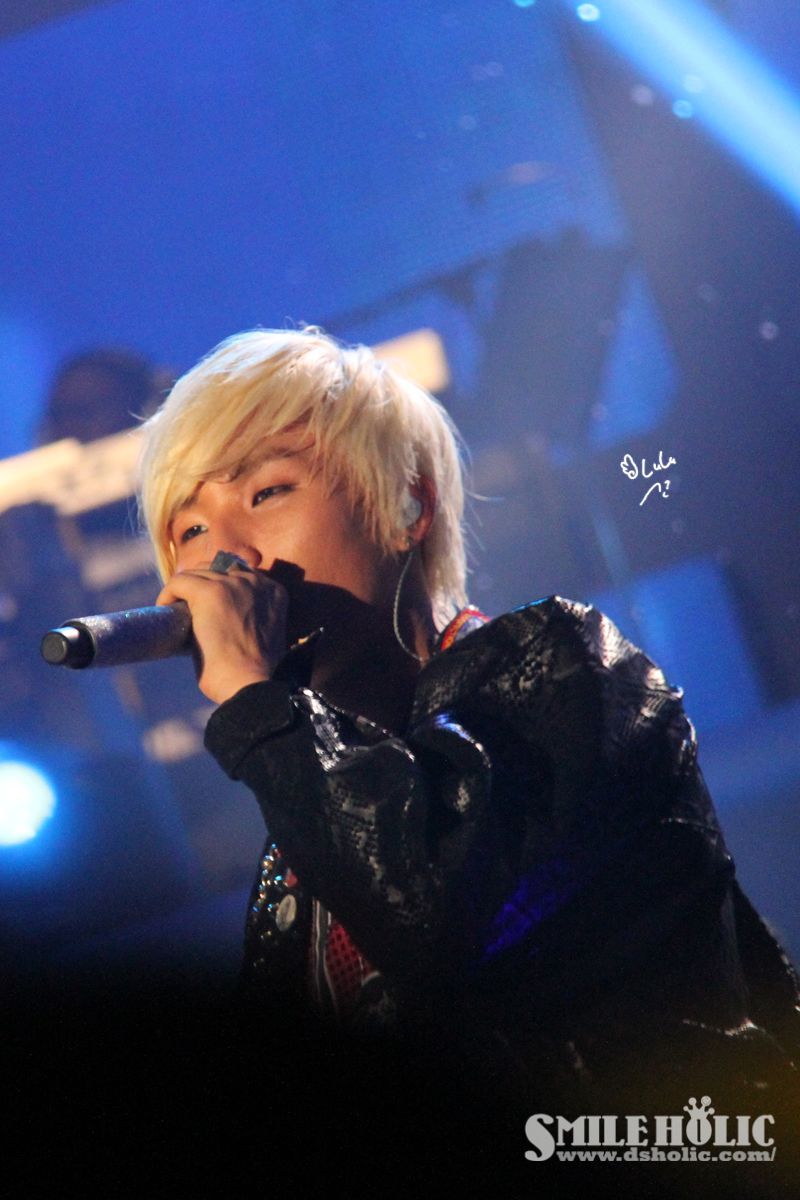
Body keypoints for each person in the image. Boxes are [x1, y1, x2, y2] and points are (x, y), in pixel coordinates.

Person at [138, 326, 798, 1181]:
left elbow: (437, 923)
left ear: (406, 507)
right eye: (190, 529)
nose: (230, 558)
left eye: (266, 492)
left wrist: (257, 707)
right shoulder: (300, 838)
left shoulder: (563, 670)